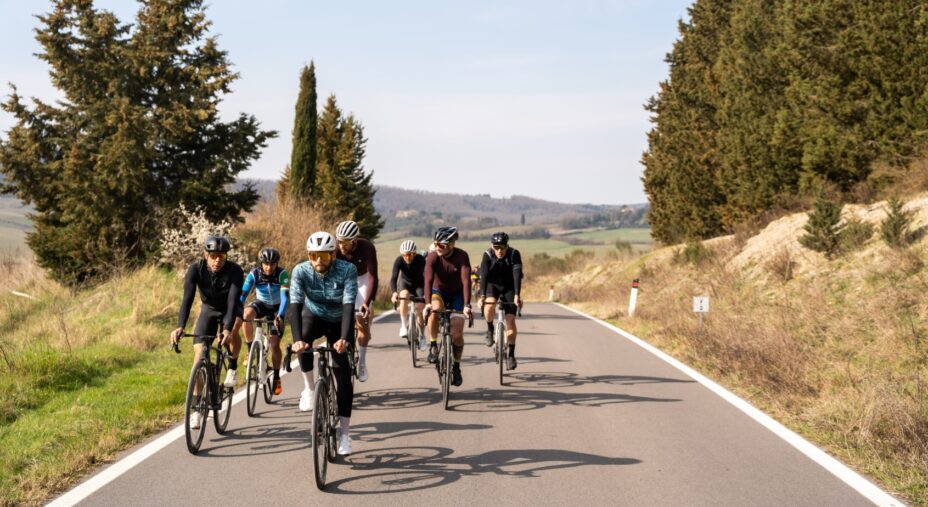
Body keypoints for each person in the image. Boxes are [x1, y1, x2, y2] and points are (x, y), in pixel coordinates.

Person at [288, 231, 358, 455]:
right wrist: (297, 340)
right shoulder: (300, 271)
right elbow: (295, 308)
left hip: (339, 319)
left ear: (333, 256)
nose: (319, 261)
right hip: (314, 314)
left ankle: (345, 434)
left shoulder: (347, 270)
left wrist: (345, 339)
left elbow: (349, 306)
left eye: (325, 256)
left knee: (342, 374)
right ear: (309, 256)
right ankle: (309, 389)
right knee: (304, 340)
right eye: (315, 256)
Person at [170, 236, 244, 430]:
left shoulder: (235, 271)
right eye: (213, 256)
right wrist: (180, 326)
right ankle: (196, 410)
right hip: (209, 310)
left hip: (231, 309)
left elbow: (232, 302)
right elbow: (187, 299)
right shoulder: (196, 269)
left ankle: (233, 366)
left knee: (235, 327)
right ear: (205, 255)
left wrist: (227, 329)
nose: (217, 260)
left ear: (226, 256)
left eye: (221, 256)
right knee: (199, 353)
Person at [234, 247, 289, 395]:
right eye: (266, 264)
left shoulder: (282, 274)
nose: (269, 267)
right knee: (246, 314)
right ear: (261, 263)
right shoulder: (254, 274)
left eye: (272, 264)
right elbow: (243, 294)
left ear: (276, 263)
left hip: (277, 308)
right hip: (262, 304)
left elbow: (285, 298)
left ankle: (277, 376)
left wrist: (281, 316)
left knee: (275, 344)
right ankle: (251, 349)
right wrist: (237, 310)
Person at [423, 226, 473, 386]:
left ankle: (456, 366)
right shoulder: (433, 257)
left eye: (442, 245)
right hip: (439, 291)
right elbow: (428, 281)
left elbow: (466, 282)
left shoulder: (462, 256)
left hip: (458, 294)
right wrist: (427, 304)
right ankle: (433, 345)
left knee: (457, 334)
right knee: (434, 310)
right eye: (436, 243)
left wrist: (466, 305)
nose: (438, 247)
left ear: (452, 244)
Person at [334, 220, 378, 383]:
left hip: (363, 279)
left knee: (361, 321)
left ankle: (362, 362)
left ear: (354, 240)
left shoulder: (367, 247)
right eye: (339, 241)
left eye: (345, 243)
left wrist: (367, 302)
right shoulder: (335, 249)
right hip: (344, 279)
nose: (341, 246)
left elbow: (373, 276)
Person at [478, 232, 524, 370]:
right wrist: (482, 296)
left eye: (502, 247)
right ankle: (490, 328)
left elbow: (517, 275)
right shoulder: (487, 254)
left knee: (510, 320)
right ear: (492, 246)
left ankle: (511, 355)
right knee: (489, 307)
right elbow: (484, 276)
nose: (499, 251)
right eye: (496, 247)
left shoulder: (514, 254)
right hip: (493, 285)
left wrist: (517, 295)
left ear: (507, 246)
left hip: (509, 287)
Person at [390, 240, 426, 345]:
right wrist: (394, 293)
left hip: (419, 285)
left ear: (414, 254)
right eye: (405, 255)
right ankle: (403, 325)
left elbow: (427, 276)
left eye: (410, 255)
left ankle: (422, 336)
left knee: (420, 309)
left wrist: (426, 294)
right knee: (404, 296)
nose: (407, 257)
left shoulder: (421, 260)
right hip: (405, 283)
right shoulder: (399, 261)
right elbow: (393, 278)